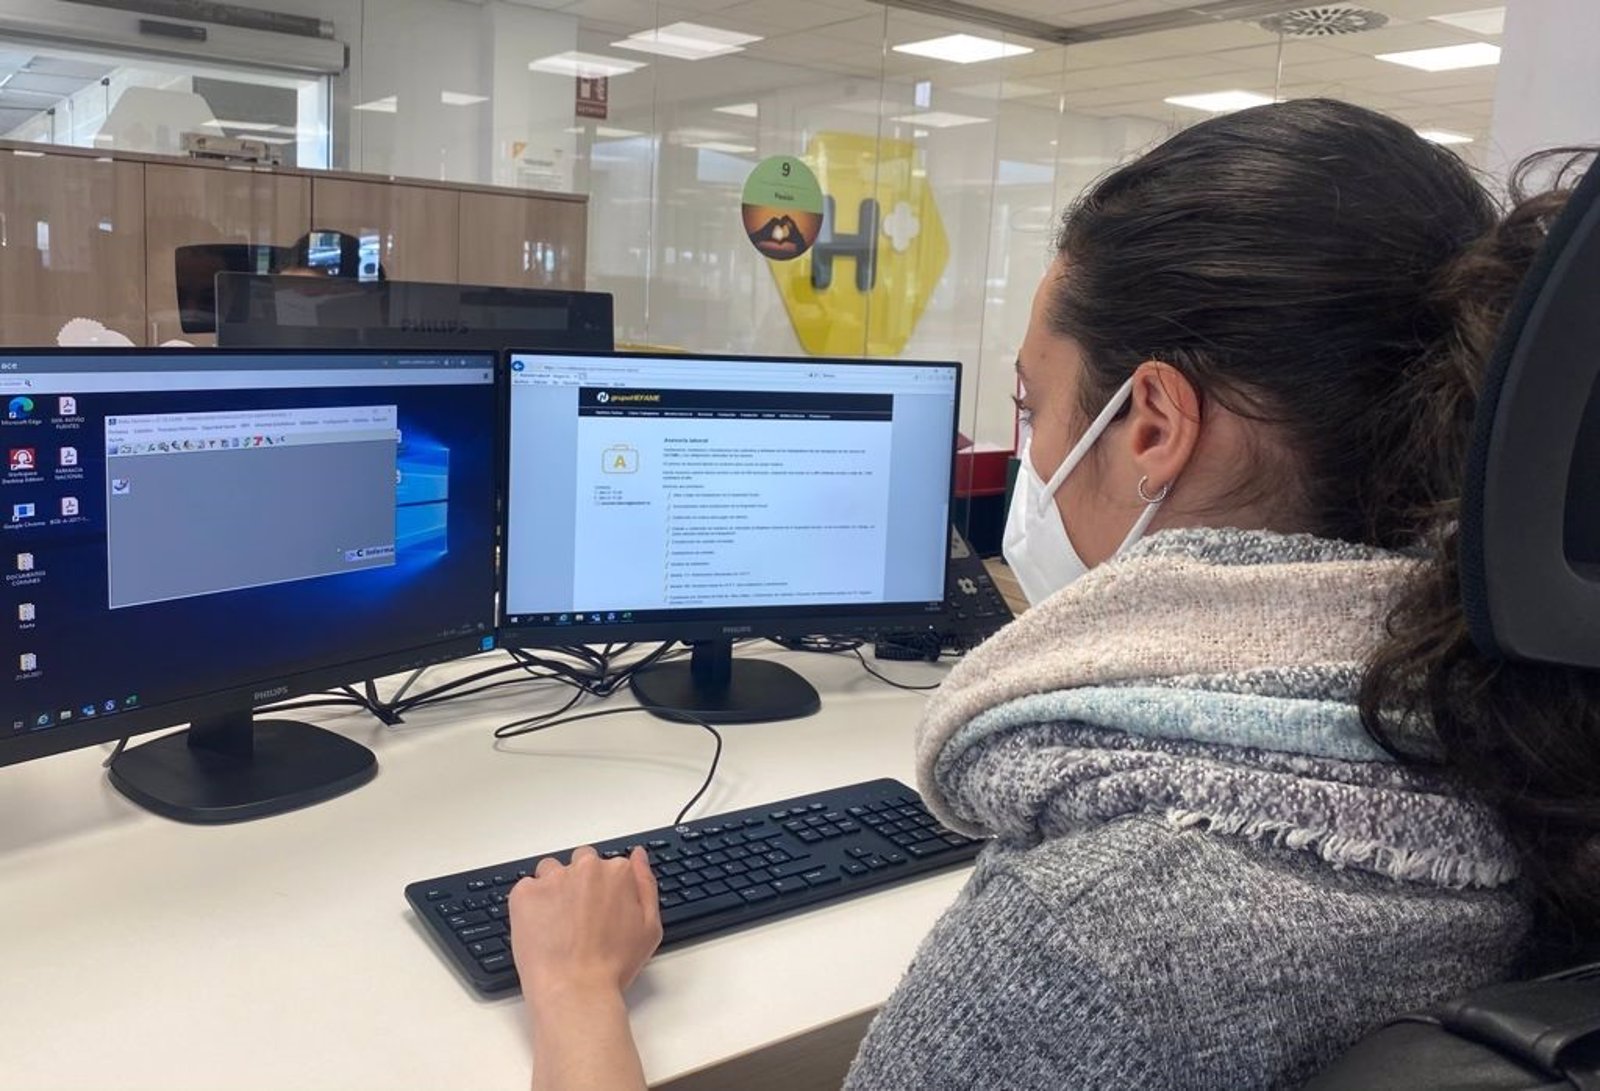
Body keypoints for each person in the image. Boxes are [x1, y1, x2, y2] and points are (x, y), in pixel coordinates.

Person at [504, 99, 1600, 1089]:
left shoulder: (1099, 936)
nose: (1029, 451)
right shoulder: (1533, 748)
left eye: (1032, 405)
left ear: (1152, 424)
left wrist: (576, 988)